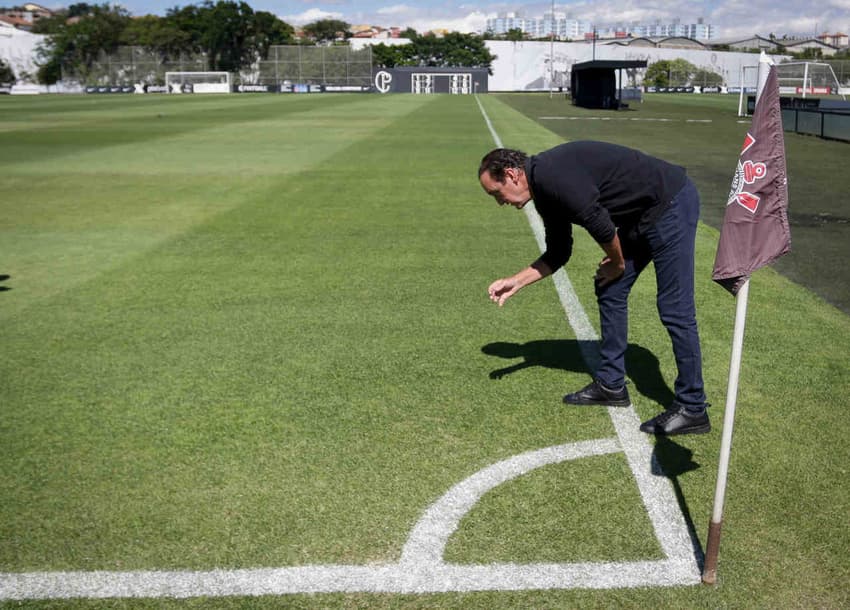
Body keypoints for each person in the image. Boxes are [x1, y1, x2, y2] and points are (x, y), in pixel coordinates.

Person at [479, 142, 710, 436]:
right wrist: (517, 281)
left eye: (496, 194)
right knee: (610, 288)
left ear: (512, 175)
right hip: (641, 215)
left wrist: (616, 262)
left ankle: (692, 407)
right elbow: (559, 252)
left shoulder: (553, 178)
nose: (501, 202)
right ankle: (611, 385)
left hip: (669, 204)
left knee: (674, 308)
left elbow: (601, 226)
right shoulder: (543, 192)